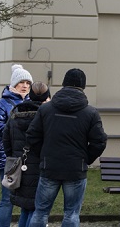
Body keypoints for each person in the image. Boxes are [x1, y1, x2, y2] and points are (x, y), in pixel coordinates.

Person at [26, 68, 107, 227]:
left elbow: (32, 136)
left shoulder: (45, 109)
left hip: (49, 166)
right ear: (83, 87)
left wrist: (43, 155)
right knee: (71, 214)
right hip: (76, 169)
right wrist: (85, 159)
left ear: (63, 84)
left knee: (41, 212)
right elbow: (99, 142)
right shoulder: (90, 113)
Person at [1, 81, 50, 227]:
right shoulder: (45, 117)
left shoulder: (15, 114)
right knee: (36, 209)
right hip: (40, 167)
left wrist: (16, 157)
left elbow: (6, 140)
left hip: (20, 166)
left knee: (25, 209)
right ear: (46, 97)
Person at [0, 64, 33, 227]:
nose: (25, 86)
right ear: (14, 84)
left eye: (28, 83)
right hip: (8, 159)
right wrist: (16, 131)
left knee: (27, 202)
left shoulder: (33, 103)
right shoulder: (2, 102)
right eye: (21, 82)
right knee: (7, 200)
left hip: (29, 159)